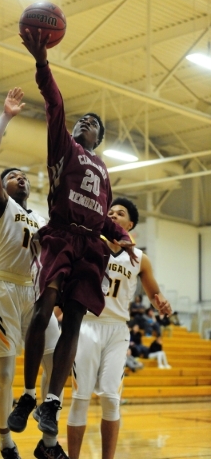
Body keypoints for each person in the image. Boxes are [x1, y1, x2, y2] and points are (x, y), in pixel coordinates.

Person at [8, 30, 137, 453]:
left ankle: (49, 400)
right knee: (45, 309)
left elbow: (103, 216)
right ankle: (27, 392)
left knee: (76, 322)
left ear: (100, 139)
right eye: (85, 120)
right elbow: (55, 104)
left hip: (90, 246)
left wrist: (123, 237)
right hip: (60, 237)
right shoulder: (64, 146)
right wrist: (43, 62)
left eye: (95, 125)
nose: (87, 123)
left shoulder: (102, 170)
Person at [0, 87, 62, 459]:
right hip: (1, 289)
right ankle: (4, 441)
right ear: (4, 184)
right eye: (13, 175)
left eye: (24, 176)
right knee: (4, 375)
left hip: (33, 293)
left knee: (56, 357)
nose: (20, 178)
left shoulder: (41, 220)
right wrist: (6, 117)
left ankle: (47, 442)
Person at [66, 197, 172, 459]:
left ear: (131, 223)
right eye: (109, 212)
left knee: (111, 399)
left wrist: (162, 303)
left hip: (117, 330)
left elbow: (154, 294)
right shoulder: (88, 244)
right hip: (88, 325)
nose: (113, 215)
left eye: (120, 213)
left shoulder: (139, 259)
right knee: (80, 398)